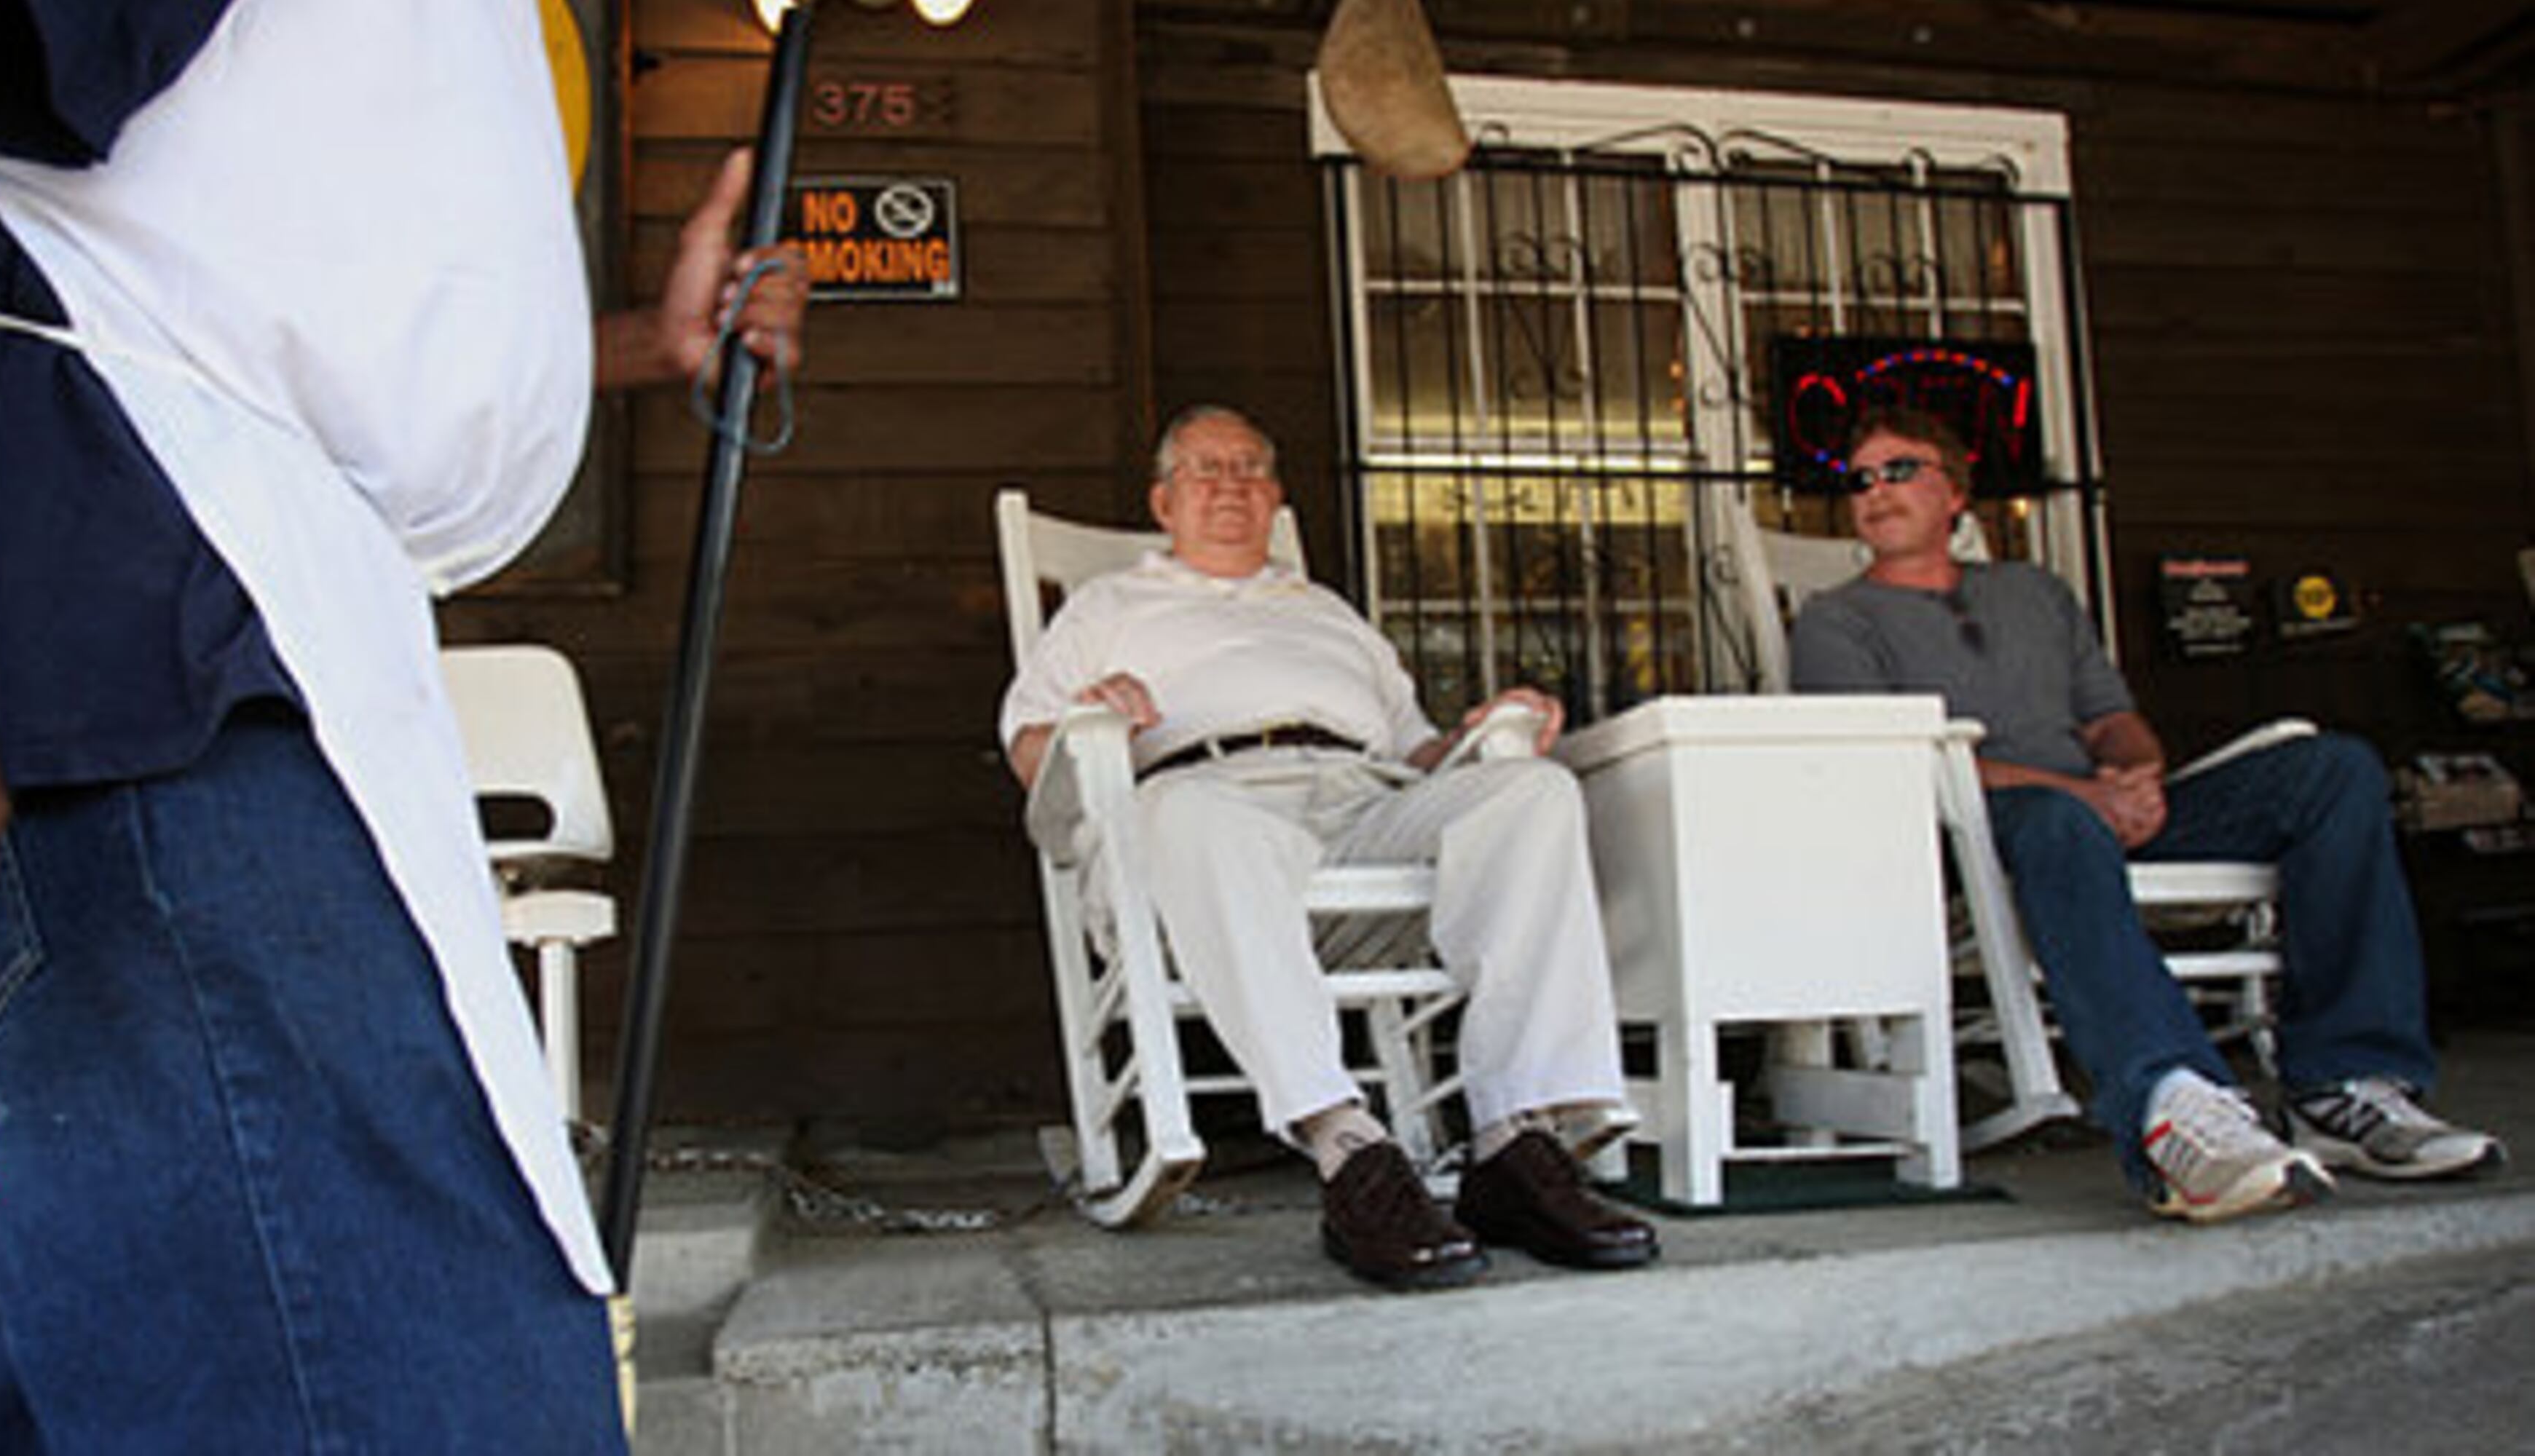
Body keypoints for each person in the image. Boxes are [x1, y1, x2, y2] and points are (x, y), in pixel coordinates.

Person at [0, 0, 805, 1447]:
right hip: (144, 615)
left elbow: (247, 239)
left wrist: (637, 346)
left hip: (235, 605)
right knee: (419, 1394)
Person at [1789, 406, 2505, 1224]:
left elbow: (2107, 717)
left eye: (1900, 469)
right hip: (1980, 831)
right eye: (1861, 479)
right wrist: (2085, 797)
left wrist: (2139, 773)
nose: (1875, 491)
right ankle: (2172, 1101)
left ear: (1956, 490)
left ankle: (2346, 1085)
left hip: (2099, 811)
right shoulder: (1836, 619)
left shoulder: (2036, 593)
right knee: (2058, 822)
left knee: (2333, 771)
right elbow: (1896, 761)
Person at [1000, 405, 1657, 1289]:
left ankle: (1516, 1135)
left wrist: (1488, 729)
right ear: (1164, 500)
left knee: (1532, 793)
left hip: (1360, 806)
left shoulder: (1332, 613)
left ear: (1275, 496)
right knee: (1198, 811)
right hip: (1200, 809)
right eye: (1204, 469)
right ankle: (1347, 1144)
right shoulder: (1106, 605)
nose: (1229, 483)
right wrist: (1095, 714)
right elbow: (1029, 752)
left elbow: (1416, 751)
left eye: (1249, 467)